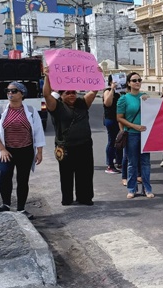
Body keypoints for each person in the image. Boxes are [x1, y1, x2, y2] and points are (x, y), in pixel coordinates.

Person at [0, 82, 45, 219]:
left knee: (23, 179)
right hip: (6, 150)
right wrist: (2, 149)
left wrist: (40, 152)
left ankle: (21, 209)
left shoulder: (30, 111)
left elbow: (38, 132)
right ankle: (5, 204)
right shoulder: (0, 110)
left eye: (14, 91)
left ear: (22, 94)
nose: (10, 93)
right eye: (8, 91)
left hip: (25, 150)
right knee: (5, 174)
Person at [43, 68, 97, 206]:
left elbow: (95, 90)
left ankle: (84, 197)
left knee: (85, 172)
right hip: (65, 147)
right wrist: (47, 77)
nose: (72, 95)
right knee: (66, 174)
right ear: (61, 95)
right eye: (68, 93)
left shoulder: (82, 104)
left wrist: (97, 74)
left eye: (74, 92)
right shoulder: (57, 107)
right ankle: (67, 198)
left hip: (84, 145)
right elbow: (47, 95)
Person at [117, 72, 154, 198]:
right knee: (132, 163)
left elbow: (154, 111)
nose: (137, 82)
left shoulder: (145, 96)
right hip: (131, 134)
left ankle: (147, 189)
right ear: (128, 83)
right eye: (134, 80)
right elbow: (119, 118)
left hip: (145, 134)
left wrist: (149, 100)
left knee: (145, 162)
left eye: (139, 80)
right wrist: (134, 126)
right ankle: (132, 189)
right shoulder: (124, 99)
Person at [103, 75, 123, 174]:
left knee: (120, 141)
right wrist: (112, 89)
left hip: (121, 120)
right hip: (111, 119)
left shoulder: (122, 92)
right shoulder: (107, 91)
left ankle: (119, 162)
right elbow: (107, 103)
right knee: (112, 141)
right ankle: (110, 165)